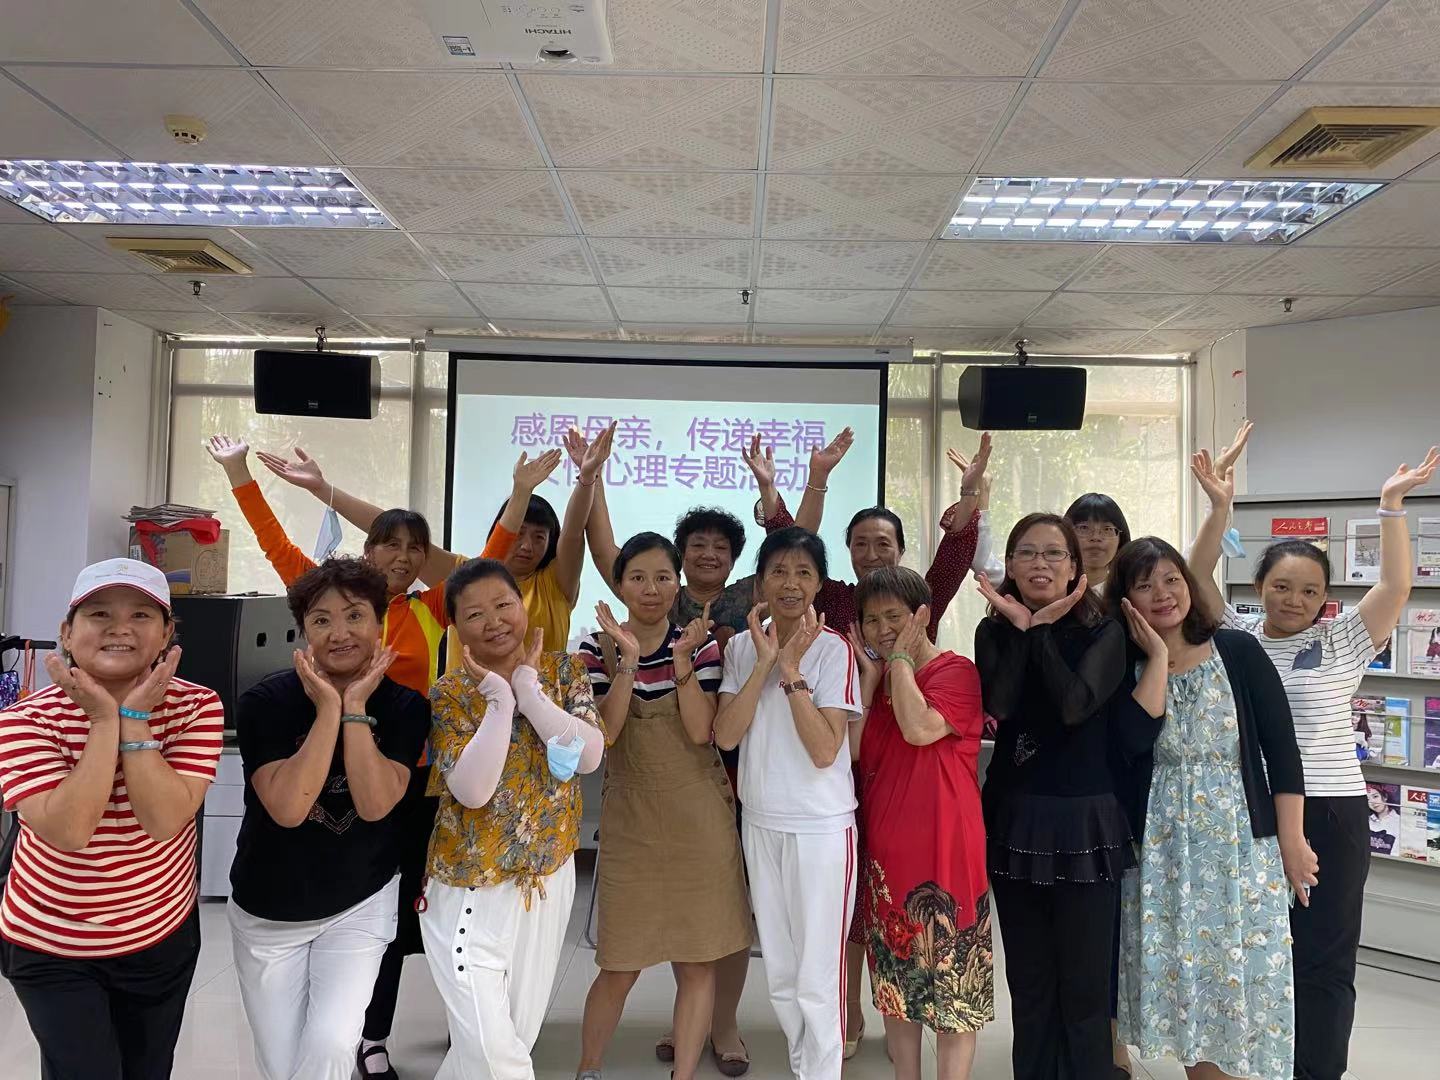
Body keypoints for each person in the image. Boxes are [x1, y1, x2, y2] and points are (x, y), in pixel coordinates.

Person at [209, 429, 610, 1078]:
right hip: (336, 772)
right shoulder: (334, 606)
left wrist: (519, 495)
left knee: (392, 915)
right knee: (365, 909)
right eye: (387, 544)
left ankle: (397, 1030)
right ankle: (378, 1033)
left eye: (413, 548)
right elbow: (276, 545)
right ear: (365, 552)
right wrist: (245, 476)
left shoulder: (432, 610)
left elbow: (488, 571)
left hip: (413, 773)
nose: (400, 556)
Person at [1188, 432, 1438, 1080]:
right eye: (1280, 586)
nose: (1292, 600)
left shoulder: (1344, 641)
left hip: (1330, 812)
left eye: (1307, 591)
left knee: (1323, 957)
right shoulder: (1236, 636)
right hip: (1251, 813)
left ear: (1324, 598)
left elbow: (1396, 584)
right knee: (1252, 951)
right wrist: (1219, 508)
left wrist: (1390, 506)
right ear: (1260, 586)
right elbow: (1194, 580)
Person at [754, 430, 991, 1055]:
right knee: (856, 906)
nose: (869, 552)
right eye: (859, 543)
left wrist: (970, 499)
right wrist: (789, 488)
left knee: (882, 902)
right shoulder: (837, 601)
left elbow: (953, 561)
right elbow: (790, 558)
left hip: (905, 775)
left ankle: (889, 1013)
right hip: (843, 772)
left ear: (901, 550)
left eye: (882, 542)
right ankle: (852, 1012)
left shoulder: (916, 601)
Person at [0, 558, 223, 1079]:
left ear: (166, 634)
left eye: (141, 615)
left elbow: (164, 821)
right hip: (51, 942)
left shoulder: (196, 707)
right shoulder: (24, 719)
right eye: (99, 613)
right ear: (67, 632)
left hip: (159, 934)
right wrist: (105, 721)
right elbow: (69, 831)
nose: (120, 627)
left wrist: (135, 719)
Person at [1109, 537, 1313, 1080]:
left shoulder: (1237, 651)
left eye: (1172, 579)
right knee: (1184, 974)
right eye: (1145, 585)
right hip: (1161, 850)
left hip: (1238, 842)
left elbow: (1282, 752)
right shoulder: (1125, 665)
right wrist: (1157, 657)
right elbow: (1129, 743)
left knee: (1234, 970)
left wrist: (1292, 841)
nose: (1162, 594)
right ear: (1126, 599)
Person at [974, 514, 1163, 1080]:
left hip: (1086, 821)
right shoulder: (993, 631)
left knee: (1084, 986)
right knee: (1030, 982)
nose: (1040, 563)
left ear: (1075, 567)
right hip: (1015, 818)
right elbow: (1001, 705)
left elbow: (1074, 706)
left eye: (1054, 553)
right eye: (1027, 553)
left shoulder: (1105, 631)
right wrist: (1023, 629)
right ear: (1010, 566)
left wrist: (1040, 631)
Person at [228, 557, 431, 1080]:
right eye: (321, 620)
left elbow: (375, 804)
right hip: (270, 911)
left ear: (379, 622)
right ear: (304, 631)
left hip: (361, 902)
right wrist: (327, 712)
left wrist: (355, 707)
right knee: (281, 1063)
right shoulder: (265, 702)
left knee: (333, 1044)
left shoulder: (406, 707)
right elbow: (288, 808)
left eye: (355, 616)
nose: (340, 633)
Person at [574, 533, 753, 1080]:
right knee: (619, 964)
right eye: (637, 577)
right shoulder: (595, 647)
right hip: (630, 823)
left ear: (677, 585)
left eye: (661, 578)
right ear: (619, 585)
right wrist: (628, 662)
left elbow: (702, 731)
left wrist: (679, 663)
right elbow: (607, 732)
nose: (650, 589)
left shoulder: (699, 647)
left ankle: (685, 1074)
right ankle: (588, 1069)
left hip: (699, 819)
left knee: (698, 961)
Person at [423, 558, 605, 1080]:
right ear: (456, 628)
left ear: (522, 605)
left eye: (503, 604)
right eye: (475, 614)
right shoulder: (451, 692)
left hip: (547, 880)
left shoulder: (564, 672)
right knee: (495, 1051)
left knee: (507, 1039)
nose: (494, 621)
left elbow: (588, 755)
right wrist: (502, 702)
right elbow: (472, 790)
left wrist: (530, 692)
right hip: (471, 885)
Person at [714, 527, 863, 1080]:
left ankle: (819, 1072)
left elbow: (825, 750)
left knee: (817, 975)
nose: (791, 583)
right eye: (778, 571)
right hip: (760, 822)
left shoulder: (833, 649)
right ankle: (806, 1068)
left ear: (820, 584)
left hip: (821, 829)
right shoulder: (740, 647)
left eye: (804, 573)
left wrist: (792, 671)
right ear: (760, 583)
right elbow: (726, 735)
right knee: (780, 971)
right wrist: (764, 663)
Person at [255, 425, 616, 653]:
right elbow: (390, 530)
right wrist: (324, 490)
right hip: (464, 720)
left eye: (539, 537)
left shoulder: (554, 583)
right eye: (518, 533)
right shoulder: (463, 575)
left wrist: (588, 478)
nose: (526, 545)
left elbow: (573, 533)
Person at [846, 566, 991, 1080]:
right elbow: (856, 750)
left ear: (922, 616)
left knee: (955, 991)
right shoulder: (882, 678)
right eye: (871, 620)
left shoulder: (956, 671)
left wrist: (901, 662)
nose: (882, 629)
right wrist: (871, 683)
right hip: (889, 855)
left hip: (947, 850)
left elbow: (919, 728)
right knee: (895, 987)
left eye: (894, 616)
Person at [1063, 494, 1130, 594]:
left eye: (1107, 529)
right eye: (1084, 528)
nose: (1095, 537)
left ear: (1121, 538)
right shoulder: (1051, 590)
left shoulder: (1131, 593)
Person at [1366, 784, 1400, 855]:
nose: (1372, 802)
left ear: (1385, 797)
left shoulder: (1398, 821)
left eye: (1375, 796)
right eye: (1367, 799)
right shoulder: (1365, 820)